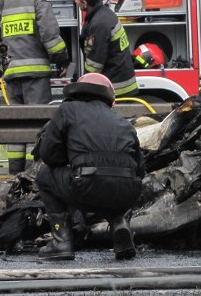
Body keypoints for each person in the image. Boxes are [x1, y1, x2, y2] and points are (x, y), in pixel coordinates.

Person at [33, 73, 144, 261]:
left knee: (44, 176)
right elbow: (140, 169)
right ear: (109, 97)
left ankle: (61, 240)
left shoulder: (68, 109)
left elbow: (48, 155)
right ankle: (120, 227)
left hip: (86, 186)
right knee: (114, 180)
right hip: (128, 192)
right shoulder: (121, 121)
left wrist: (71, 160)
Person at [1, 0, 70, 104]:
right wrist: (63, 62)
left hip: (10, 72)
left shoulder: (3, 2)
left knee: (16, 121)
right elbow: (50, 37)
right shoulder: (38, 1)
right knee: (37, 119)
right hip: (35, 76)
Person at [74, 0, 138, 98]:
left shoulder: (99, 23)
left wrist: (85, 87)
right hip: (118, 79)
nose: (75, 1)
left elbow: (95, 63)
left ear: (84, 3)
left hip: (116, 87)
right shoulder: (102, 14)